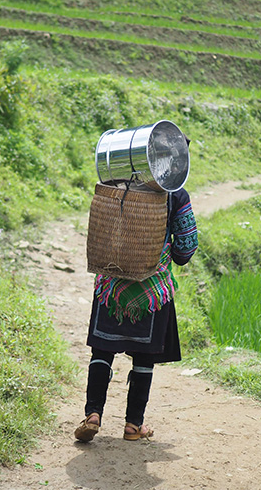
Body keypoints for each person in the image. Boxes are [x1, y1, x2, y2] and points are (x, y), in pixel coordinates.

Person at [75, 184, 198, 443]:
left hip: (111, 284)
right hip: (150, 289)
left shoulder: (112, 183)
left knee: (102, 350)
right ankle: (133, 425)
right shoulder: (174, 193)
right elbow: (186, 247)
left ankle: (93, 415)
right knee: (144, 356)